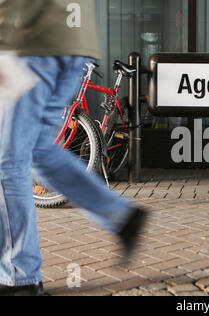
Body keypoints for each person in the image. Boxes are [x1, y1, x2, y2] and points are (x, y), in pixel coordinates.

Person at [0, 0, 149, 296]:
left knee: (8, 160)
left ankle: (20, 277)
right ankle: (120, 215)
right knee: (39, 149)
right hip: (73, 45)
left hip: (28, 42)